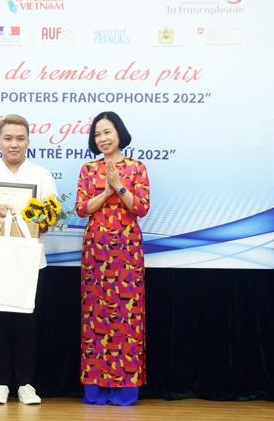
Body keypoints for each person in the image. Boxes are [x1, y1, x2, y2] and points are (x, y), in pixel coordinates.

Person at [0, 113, 57, 405]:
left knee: (28, 325)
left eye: (20, 138)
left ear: (28, 142)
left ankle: (27, 384)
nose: (14, 144)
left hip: (31, 261)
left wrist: (40, 220)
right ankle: (1, 383)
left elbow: (51, 216)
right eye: (8, 138)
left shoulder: (41, 175)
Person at [74, 111, 150, 406]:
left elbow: (141, 207)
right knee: (95, 316)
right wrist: (106, 191)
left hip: (127, 250)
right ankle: (95, 388)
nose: (103, 139)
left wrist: (119, 185)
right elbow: (82, 208)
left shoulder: (137, 168)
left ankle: (125, 389)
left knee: (127, 317)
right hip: (96, 248)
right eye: (97, 134)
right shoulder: (88, 168)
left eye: (107, 132)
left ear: (119, 133)